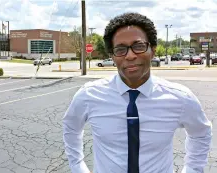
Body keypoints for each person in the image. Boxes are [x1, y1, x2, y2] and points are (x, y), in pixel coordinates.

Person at [62, 12, 212, 173]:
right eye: (120, 49)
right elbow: (71, 127)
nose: (130, 55)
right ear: (112, 56)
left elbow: (201, 133)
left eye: (139, 46)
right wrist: (78, 167)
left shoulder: (180, 98)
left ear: (153, 50)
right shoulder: (89, 95)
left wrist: (193, 169)